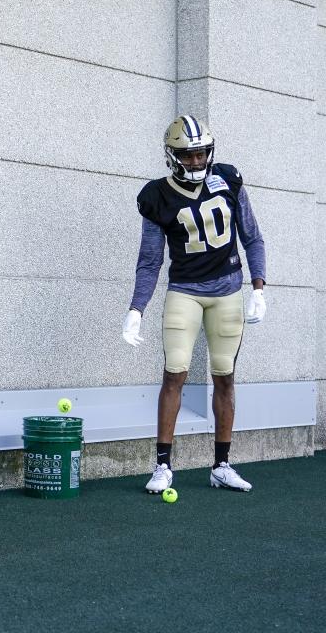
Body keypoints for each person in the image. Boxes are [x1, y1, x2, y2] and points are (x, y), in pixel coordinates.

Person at [122, 115, 266, 495]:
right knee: (175, 373)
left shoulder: (229, 179)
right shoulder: (157, 196)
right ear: (172, 157)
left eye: (202, 154)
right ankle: (163, 465)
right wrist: (137, 308)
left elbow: (253, 237)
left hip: (228, 292)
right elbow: (150, 260)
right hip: (185, 290)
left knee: (225, 375)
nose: (197, 162)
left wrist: (259, 287)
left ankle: (221, 464)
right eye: (188, 156)